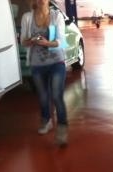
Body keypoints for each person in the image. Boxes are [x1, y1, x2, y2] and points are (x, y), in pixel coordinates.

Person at [21, 0, 69, 147]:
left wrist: (47, 43)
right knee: (43, 96)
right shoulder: (27, 17)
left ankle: (62, 128)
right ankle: (46, 120)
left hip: (56, 62)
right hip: (37, 64)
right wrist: (32, 40)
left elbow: (61, 41)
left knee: (56, 96)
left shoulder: (56, 16)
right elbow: (23, 41)